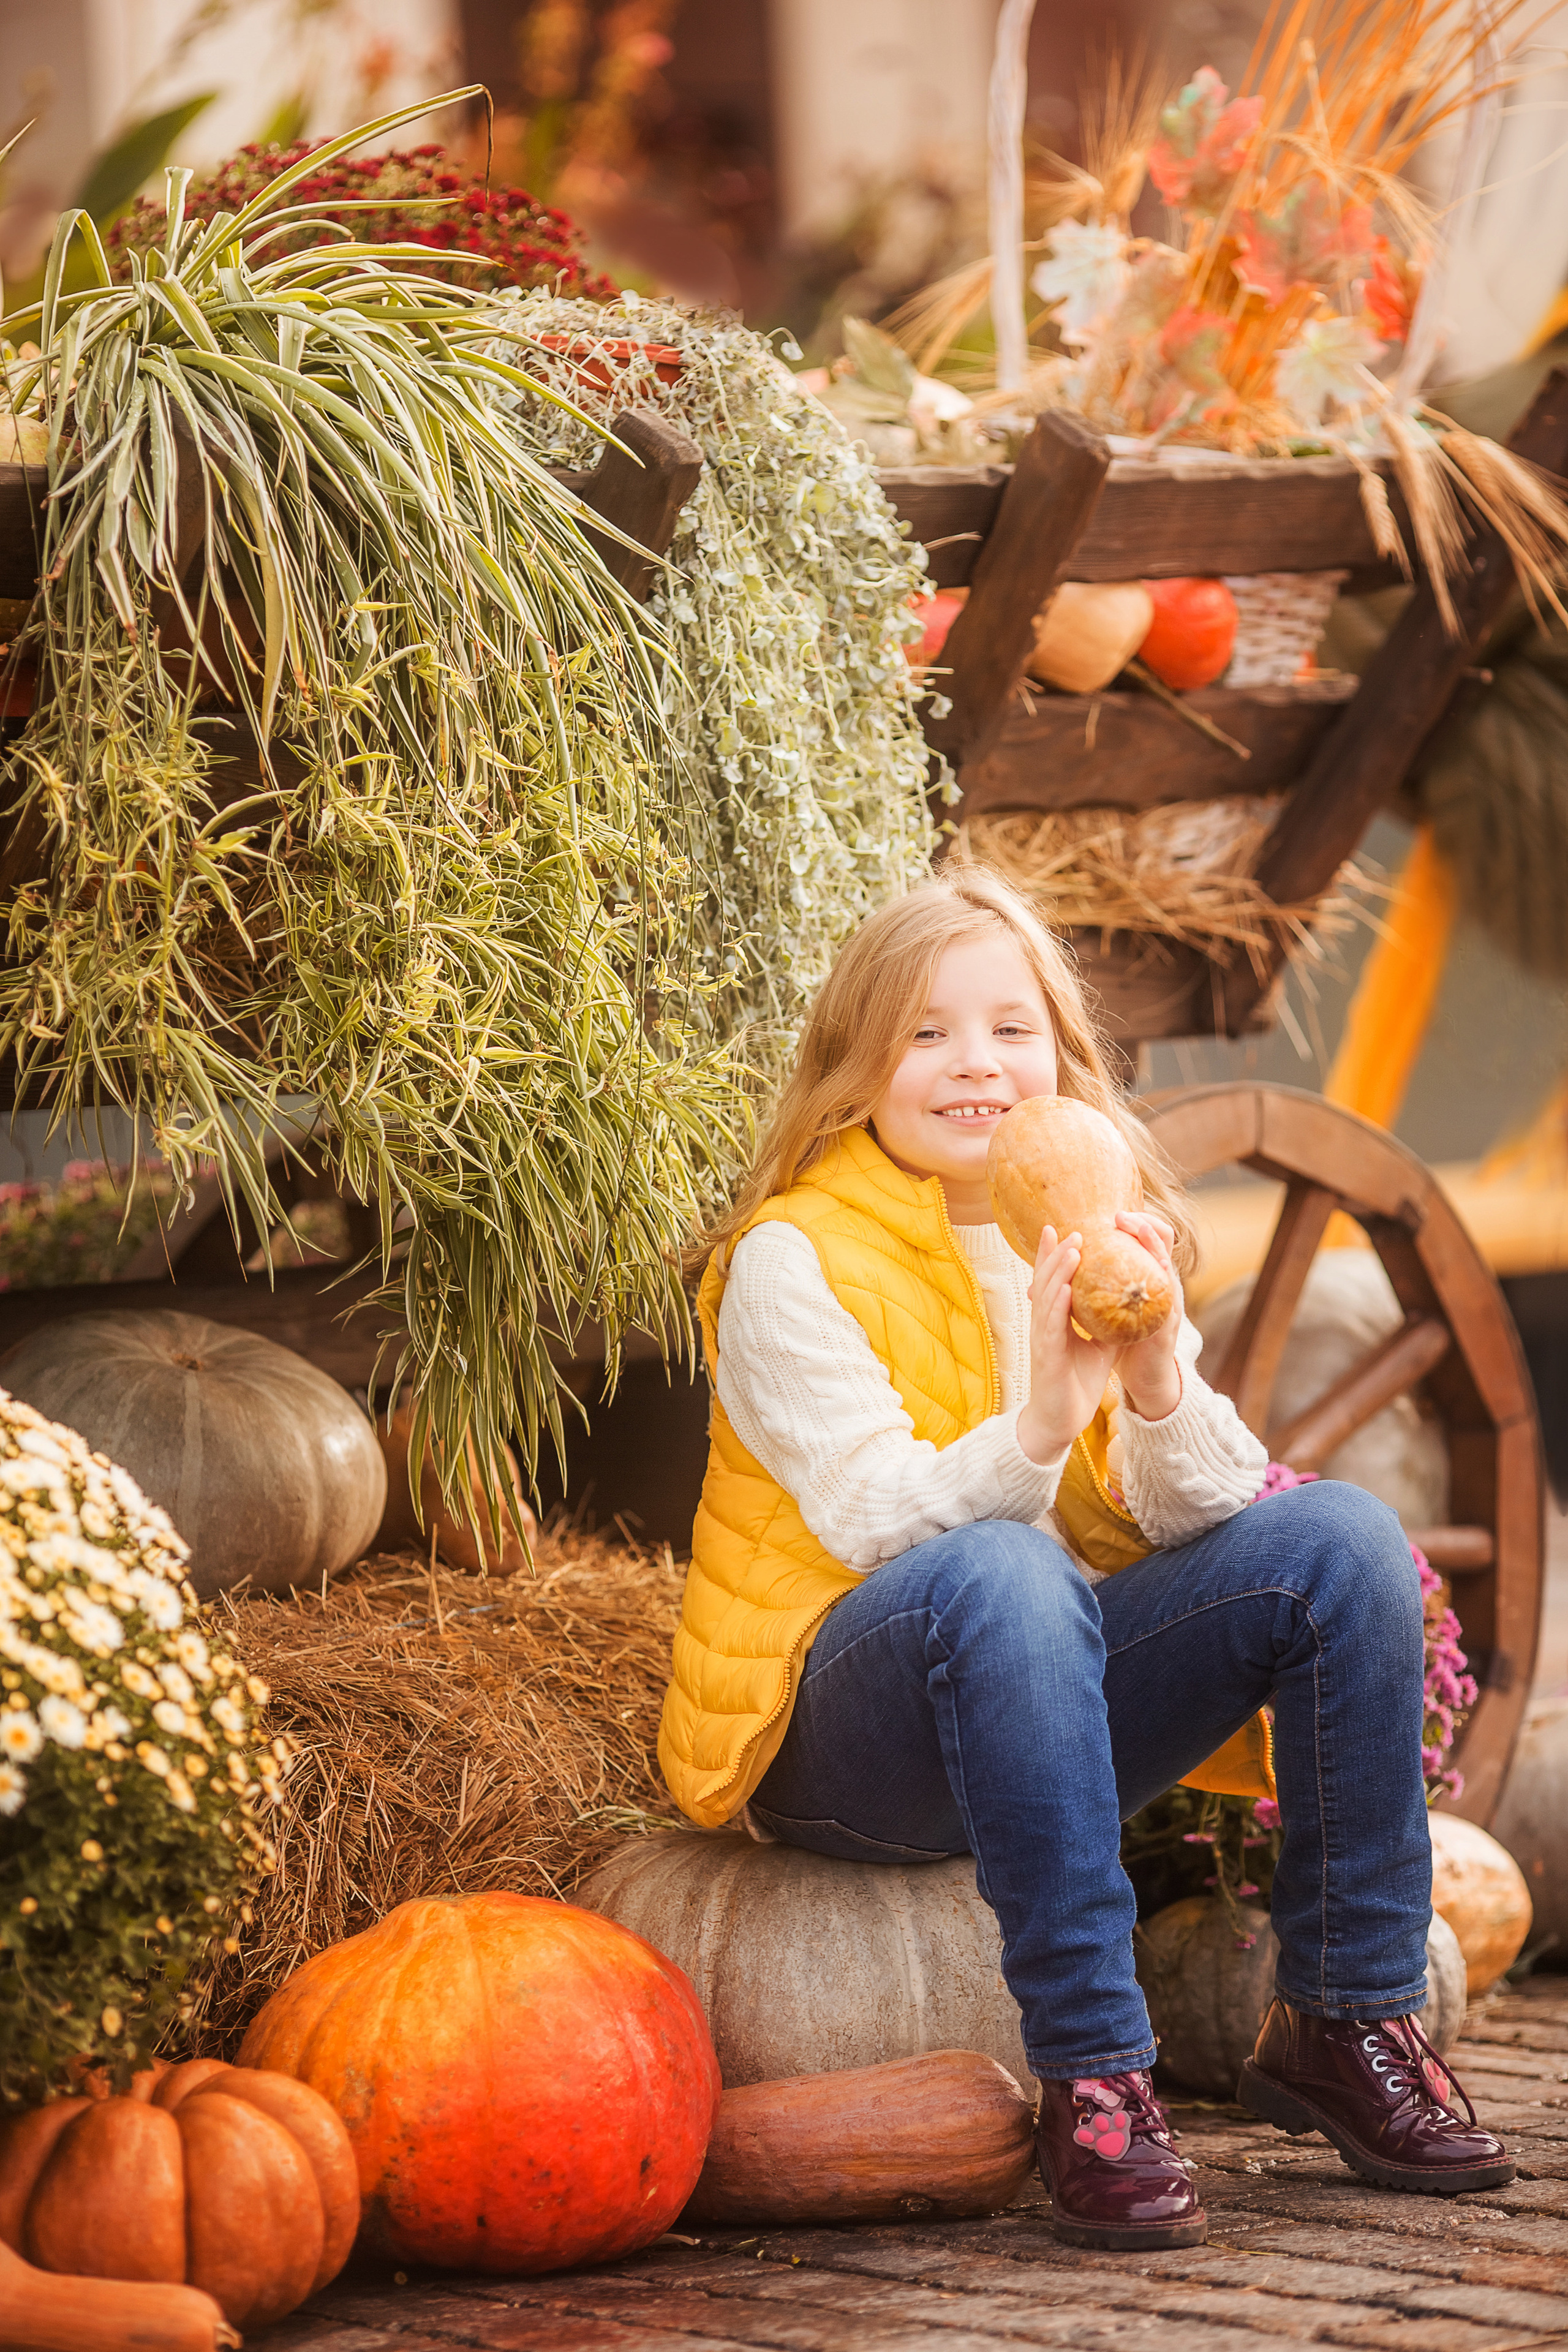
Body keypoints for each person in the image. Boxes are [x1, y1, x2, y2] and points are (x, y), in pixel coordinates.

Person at [657, 868, 1510, 2250]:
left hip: (1042, 1700)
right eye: (926, 1033)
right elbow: (881, 1525)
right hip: (844, 1740)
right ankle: (1096, 2076)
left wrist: (1159, 1367)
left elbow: (1197, 1512)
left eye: (1011, 1027)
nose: (977, 1065)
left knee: (1337, 1542)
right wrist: (1048, 1411)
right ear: (856, 1066)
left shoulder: (1085, 1221)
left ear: (1061, 1054)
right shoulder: (791, 1259)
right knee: (1007, 1571)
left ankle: (1345, 2022)